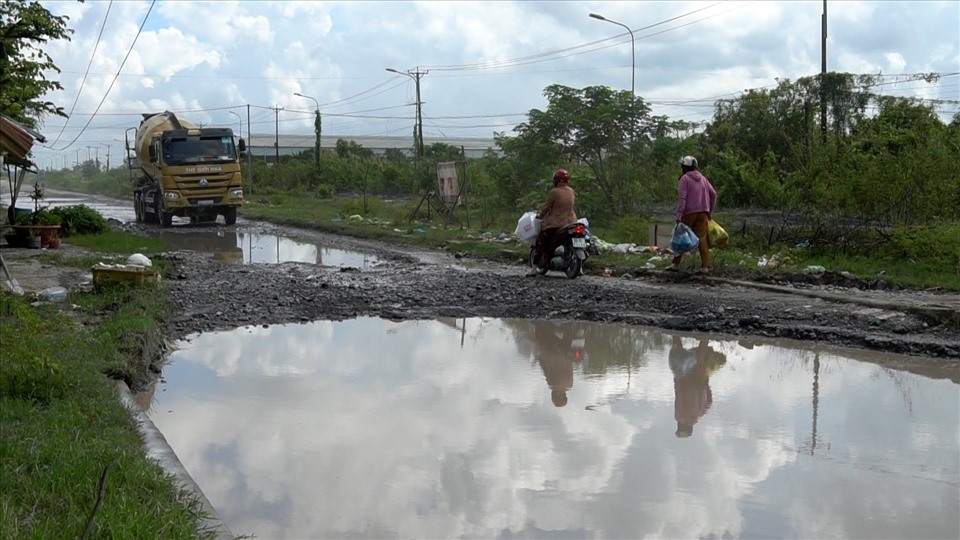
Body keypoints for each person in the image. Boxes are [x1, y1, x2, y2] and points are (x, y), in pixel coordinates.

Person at [669, 335, 727, 438]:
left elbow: (709, 402)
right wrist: (676, 380)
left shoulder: (697, 416)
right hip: (685, 383)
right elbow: (679, 396)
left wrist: (706, 386)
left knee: (700, 360)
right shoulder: (679, 416)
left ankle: (705, 336)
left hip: (699, 385)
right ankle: (675, 333)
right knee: (685, 356)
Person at [669, 156, 717, 274]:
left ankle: (676, 264)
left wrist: (679, 215)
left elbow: (682, 198)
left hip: (689, 213)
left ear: (684, 167)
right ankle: (705, 267)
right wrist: (709, 212)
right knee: (702, 239)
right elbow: (713, 194)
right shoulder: (703, 179)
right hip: (703, 213)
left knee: (680, 236)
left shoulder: (684, 179)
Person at [528, 168, 577, 276]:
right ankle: (580, 268)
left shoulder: (554, 192)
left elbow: (546, 208)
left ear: (557, 180)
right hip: (571, 221)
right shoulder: (571, 191)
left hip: (557, 223)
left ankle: (534, 268)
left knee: (541, 241)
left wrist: (540, 216)